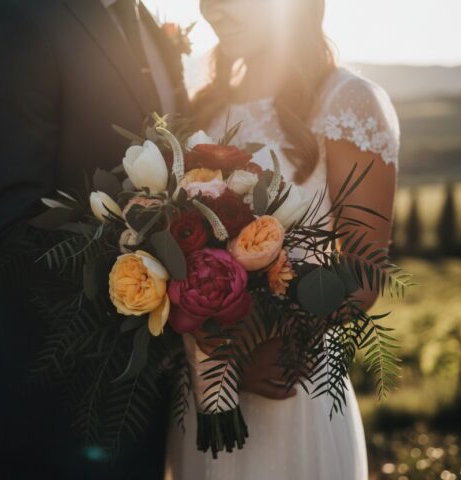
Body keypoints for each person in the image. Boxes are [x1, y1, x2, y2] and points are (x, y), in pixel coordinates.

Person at [0, 0, 190, 478]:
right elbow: (4, 241)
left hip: (154, 402)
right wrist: (154, 287)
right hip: (56, 406)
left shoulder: (148, 25)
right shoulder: (10, 18)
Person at [166, 0, 399, 478]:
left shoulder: (348, 103)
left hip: (290, 387)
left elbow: (364, 271)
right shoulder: (201, 106)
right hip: (204, 389)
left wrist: (264, 344)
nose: (214, 11)